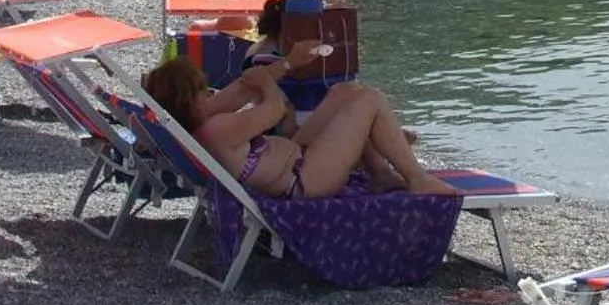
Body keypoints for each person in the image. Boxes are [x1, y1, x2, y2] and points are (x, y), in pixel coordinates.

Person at [141, 55, 455, 200]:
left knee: (344, 93)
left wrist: (289, 62)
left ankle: (381, 174)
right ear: (189, 103)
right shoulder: (216, 130)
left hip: (299, 158)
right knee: (370, 100)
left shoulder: (203, 125)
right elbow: (276, 110)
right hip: (308, 179)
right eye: (202, 91)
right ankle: (417, 179)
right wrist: (265, 82)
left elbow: (237, 91)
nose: (210, 93)